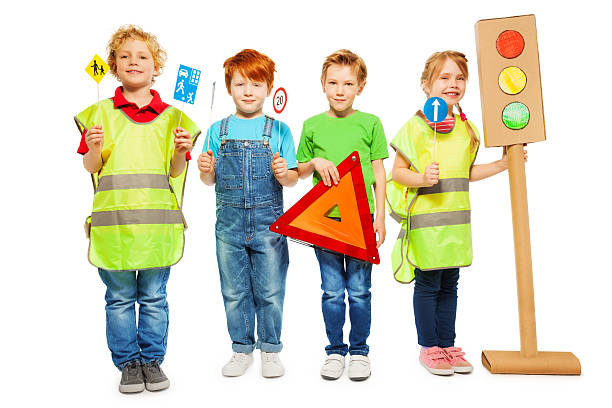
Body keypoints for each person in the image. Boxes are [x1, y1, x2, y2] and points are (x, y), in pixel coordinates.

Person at [74, 25, 199, 393]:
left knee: (155, 297)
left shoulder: (174, 118)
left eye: (142, 56)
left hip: (157, 229)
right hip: (114, 229)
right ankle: (128, 364)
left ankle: (152, 361)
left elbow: (176, 170)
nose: (134, 62)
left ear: (155, 66)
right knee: (119, 298)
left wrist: (180, 149)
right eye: (125, 56)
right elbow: (91, 167)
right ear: (112, 65)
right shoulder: (99, 113)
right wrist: (94, 146)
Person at [388, 50, 527, 375]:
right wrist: (422, 178)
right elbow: (397, 173)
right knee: (428, 285)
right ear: (426, 85)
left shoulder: (467, 129)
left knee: (450, 284)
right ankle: (429, 348)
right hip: (427, 226)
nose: (453, 84)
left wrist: (503, 164)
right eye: (444, 77)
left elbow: (467, 172)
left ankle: (448, 345)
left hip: (457, 224)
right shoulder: (416, 126)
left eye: (460, 78)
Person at [198, 49, 298, 378]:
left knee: (270, 290)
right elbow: (208, 179)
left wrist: (284, 172)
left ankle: (270, 349)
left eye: (256, 84)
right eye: (240, 84)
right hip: (228, 226)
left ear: (269, 87)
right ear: (229, 88)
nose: (248, 91)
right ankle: (241, 348)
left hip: (269, 225)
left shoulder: (279, 130)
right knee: (233, 291)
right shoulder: (218, 129)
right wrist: (206, 168)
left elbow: (292, 179)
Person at [296, 49, 388, 381]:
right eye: (333, 82)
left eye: (348, 84)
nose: (340, 90)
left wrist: (380, 217)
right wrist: (315, 163)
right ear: (322, 84)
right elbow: (301, 171)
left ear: (360, 87)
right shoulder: (312, 125)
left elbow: (379, 172)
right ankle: (335, 351)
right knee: (332, 290)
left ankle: (360, 352)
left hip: (363, 219)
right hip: (325, 222)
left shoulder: (371, 123)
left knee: (361, 290)